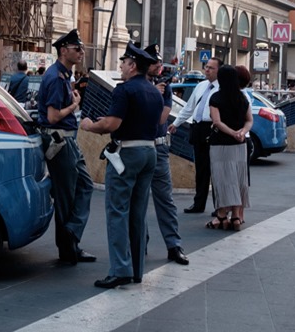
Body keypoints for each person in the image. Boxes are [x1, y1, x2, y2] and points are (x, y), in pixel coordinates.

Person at [80, 42, 163, 288]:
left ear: (133, 65)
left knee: (117, 211)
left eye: (124, 63)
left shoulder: (124, 90)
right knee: (138, 213)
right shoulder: (154, 92)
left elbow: (112, 124)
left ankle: (119, 270)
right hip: (150, 152)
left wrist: (89, 126)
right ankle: (136, 269)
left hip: (127, 154)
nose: (121, 67)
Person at [37, 29, 96, 265]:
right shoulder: (55, 77)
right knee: (65, 197)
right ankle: (68, 248)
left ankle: (71, 233)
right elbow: (52, 117)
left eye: (81, 48)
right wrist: (74, 106)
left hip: (68, 140)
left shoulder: (63, 75)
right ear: (63, 50)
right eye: (76, 48)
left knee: (84, 186)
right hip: (60, 141)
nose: (81, 52)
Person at [144, 44, 189, 266]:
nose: (159, 67)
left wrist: (157, 95)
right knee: (138, 199)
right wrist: (153, 94)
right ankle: (139, 243)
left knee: (165, 200)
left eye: (161, 63)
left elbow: (161, 120)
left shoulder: (166, 88)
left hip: (159, 147)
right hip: (138, 148)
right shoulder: (136, 86)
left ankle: (173, 245)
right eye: (155, 63)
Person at [168, 57, 223, 214]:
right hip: (198, 128)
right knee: (201, 169)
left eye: (211, 68)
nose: (207, 70)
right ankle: (199, 203)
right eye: (206, 67)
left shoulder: (222, 88)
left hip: (213, 128)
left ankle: (219, 207)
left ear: (219, 70)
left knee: (216, 170)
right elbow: (189, 107)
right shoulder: (201, 86)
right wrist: (177, 123)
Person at [206, 65, 252, 231]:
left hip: (220, 143)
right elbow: (249, 120)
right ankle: (236, 218)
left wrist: (232, 133)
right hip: (240, 145)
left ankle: (221, 217)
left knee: (222, 180)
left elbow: (216, 121)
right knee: (238, 179)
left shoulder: (216, 97)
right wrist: (242, 132)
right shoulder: (242, 98)